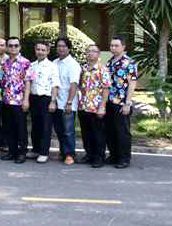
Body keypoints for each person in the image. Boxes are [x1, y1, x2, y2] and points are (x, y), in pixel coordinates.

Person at [105, 36, 137, 169]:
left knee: (122, 132)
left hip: (121, 102)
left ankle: (124, 158)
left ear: (123, 47)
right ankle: (114, 155)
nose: (113, 48)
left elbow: (132, 83)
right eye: (111, 45)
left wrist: (127, 103)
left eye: (116, 45)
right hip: (109, 101)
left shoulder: (129, 62)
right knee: (110, 130)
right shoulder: (109, 62)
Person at [79, 44, 112, 168]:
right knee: (86, 133)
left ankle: (99, 157)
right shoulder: (83, 68)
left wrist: (102, 106)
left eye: (94, 51)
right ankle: (89, 154)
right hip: (83, 106)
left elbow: (106, 89)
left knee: (98, 134)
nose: (91, 53)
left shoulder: (102, 70)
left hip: (96, 107)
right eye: (89, 51)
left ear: (98, 54)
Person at [51, 37, 82, 165]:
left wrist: (69, 103)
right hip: (56, 102)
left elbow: (74, 85)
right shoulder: (55, 62)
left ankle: (70, 154)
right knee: (59, 129)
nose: (61, 48)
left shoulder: (73, 65)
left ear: (69, 49)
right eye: (59, 46)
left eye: (64, 46)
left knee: (68, 131)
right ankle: (63, 152)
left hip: (67, 103)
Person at [1, 36, 31, 163]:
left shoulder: (25, 62)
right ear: (7, 48)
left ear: (20, 47)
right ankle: (12, 151)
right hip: (7, 100)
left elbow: (28, 82)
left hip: (19, 101)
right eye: (10, 45)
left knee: (21, 128)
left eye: (16, 45)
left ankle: (22, 152)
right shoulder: (5, 63)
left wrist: (26, 100)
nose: (13, 48)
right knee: (9, 127)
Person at [28, 41, 59, 163]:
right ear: (35, 50)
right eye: (38, 49)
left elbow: (55, 84)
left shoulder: (52, 66)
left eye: (43, 50)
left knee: (46, 126)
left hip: (46, 99)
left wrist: (53, 101)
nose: (40, 52)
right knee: (35, 125)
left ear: (48, 51)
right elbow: (29, 82)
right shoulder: (31, 65)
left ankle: (44, 152)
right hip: (34, 98)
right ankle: (36, 149)